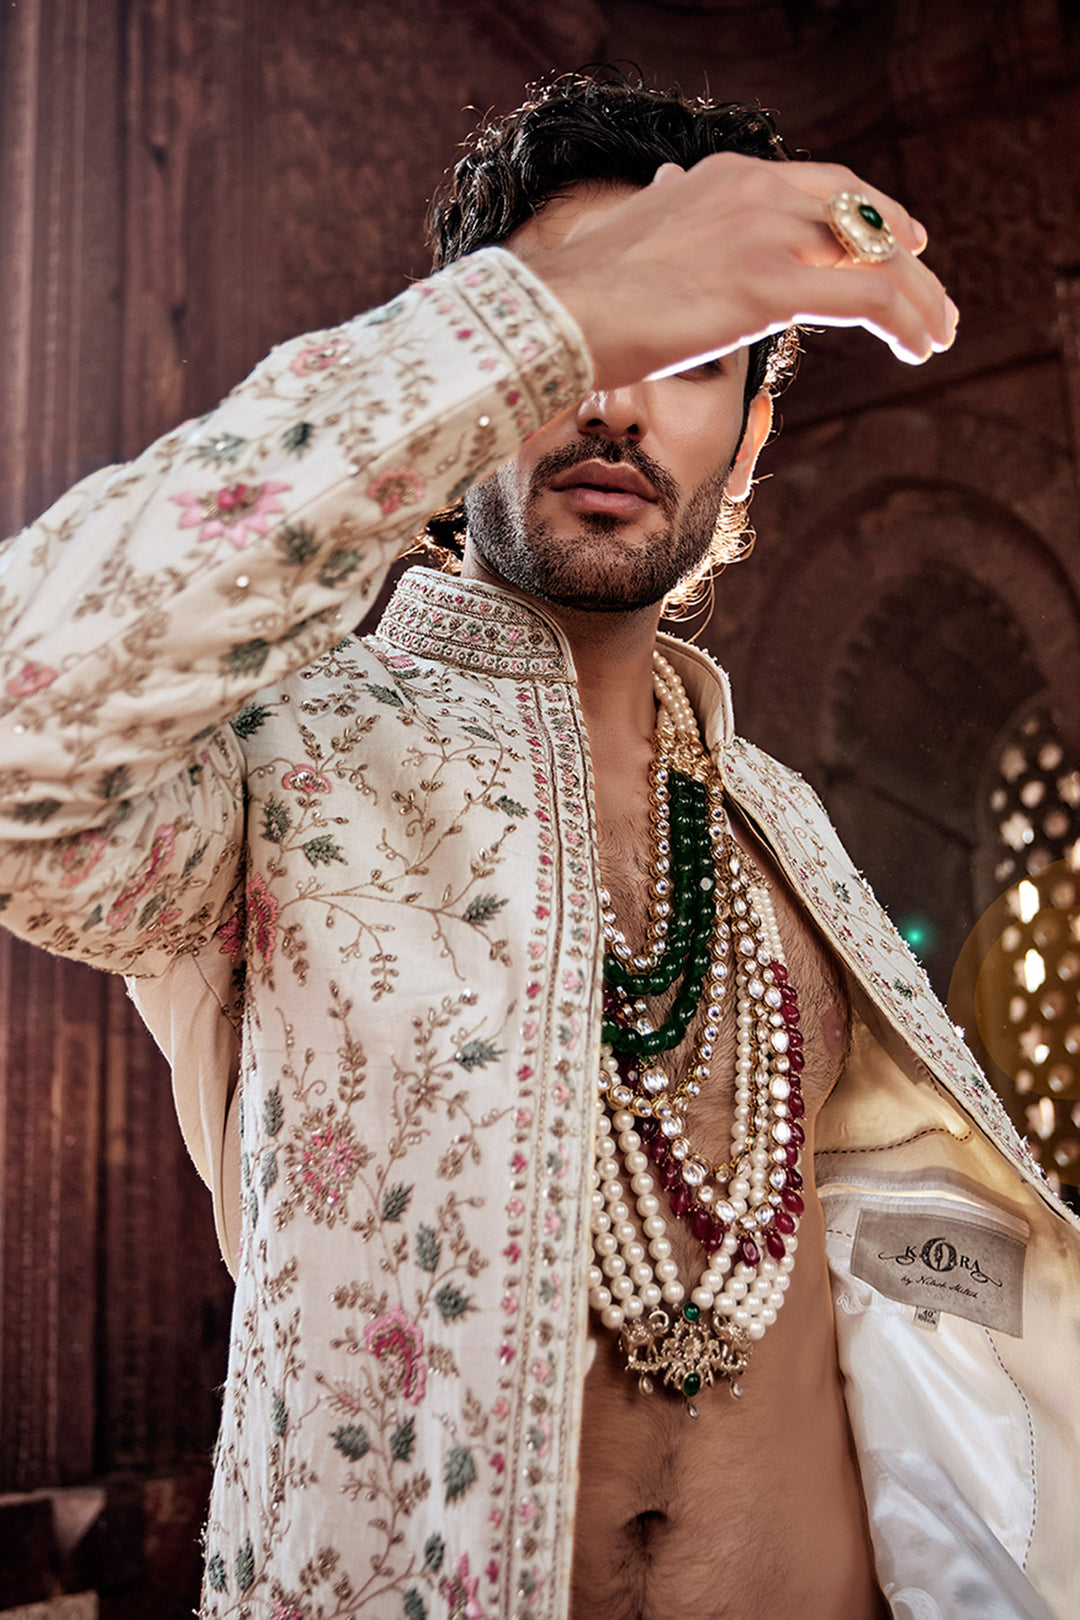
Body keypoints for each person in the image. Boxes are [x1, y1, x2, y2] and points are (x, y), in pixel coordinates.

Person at [0, 72, 1076, 1620]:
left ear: (754, 431)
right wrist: (526, 318)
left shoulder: (789, 837)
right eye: (580, 344)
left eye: (690, 358)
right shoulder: (271, 760)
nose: (618, 402)